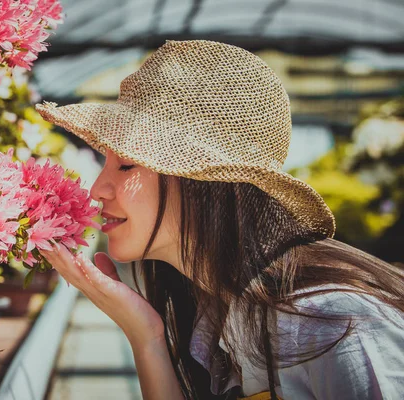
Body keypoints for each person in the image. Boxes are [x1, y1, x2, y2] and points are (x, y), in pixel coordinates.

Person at [36, 40, 404, 400]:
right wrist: (144, 335)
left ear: (202, 182)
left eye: (126, 164)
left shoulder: (337, 324)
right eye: (106, 163)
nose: (98, 188)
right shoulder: (215, 311)